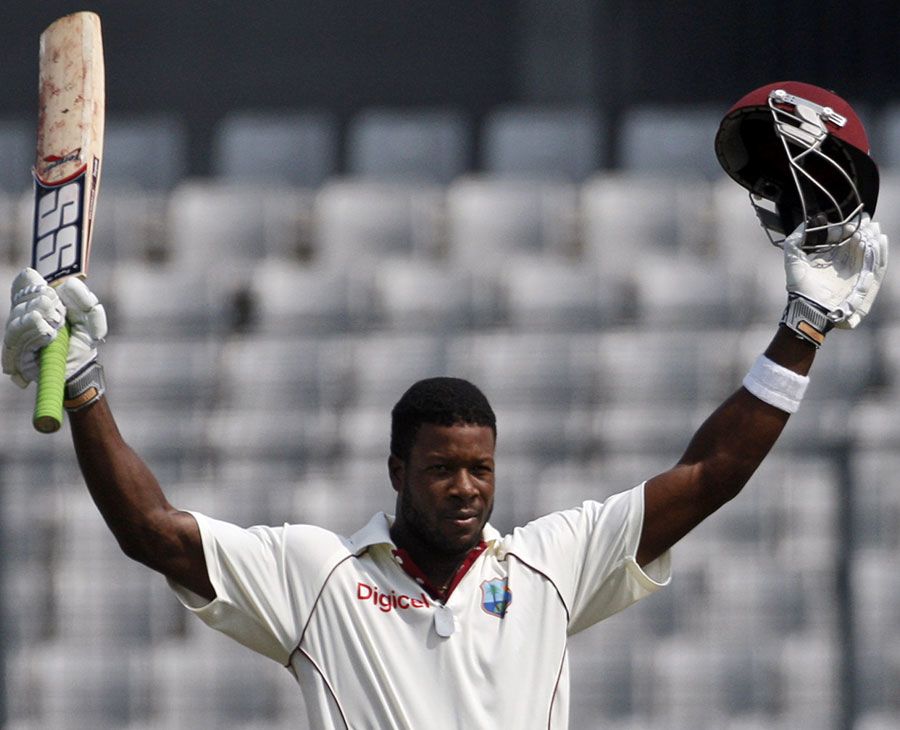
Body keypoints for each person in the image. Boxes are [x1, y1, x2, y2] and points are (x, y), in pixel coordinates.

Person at [1, 82, 889, 728]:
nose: (465, 488)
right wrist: (82, 387)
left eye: (480, 469)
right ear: (397, 472)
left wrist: (803, 327)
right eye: (441, 469)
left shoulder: (549, 566)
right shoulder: (320, 577)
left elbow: (709, 475)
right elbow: (149, 529)